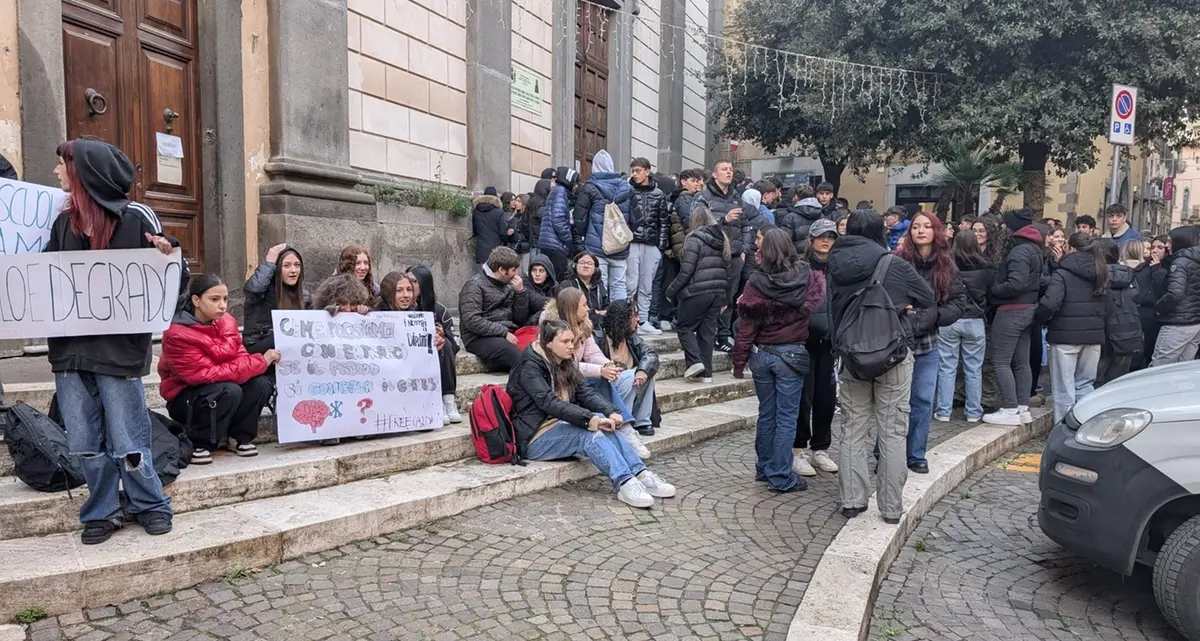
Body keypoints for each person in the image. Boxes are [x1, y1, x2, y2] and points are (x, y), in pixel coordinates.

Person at [49, 139, 182, 544]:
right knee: (84, 441)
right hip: (70, 353)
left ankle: (149, 503)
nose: (57, 173)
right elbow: (41, 281)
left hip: (118, 352)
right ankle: (102, 510)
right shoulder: (62, 224)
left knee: (129, 438)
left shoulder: (135, 216)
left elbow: (174, 281)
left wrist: (168, 255)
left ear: (83, 172)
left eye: (63, 166)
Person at [828, 209, 934, 524]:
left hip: (852, 357)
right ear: (880, 232)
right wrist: (903, 308)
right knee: (892, 432)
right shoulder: (895, 265)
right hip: (893, 356)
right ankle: (890, 508)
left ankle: (852, 500)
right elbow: (928, 298)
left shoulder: (835, 263)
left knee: (853, 429)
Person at [507, 320, 676, 508]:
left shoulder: (565, 360)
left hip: (558, 426)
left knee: (605, 423)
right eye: (564, 342)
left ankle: (642, 474)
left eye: (572, 341)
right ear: (548, 343)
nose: (571, 346)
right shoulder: (529, 366)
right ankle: (625, 483)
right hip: (534, 437)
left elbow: (584, 391)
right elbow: (549, 403)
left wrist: (610, 411)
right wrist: (590, 419)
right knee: (587, 432)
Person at [732, 228, 823, 492]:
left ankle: (764, 468)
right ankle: (781, 475)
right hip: (792, 354)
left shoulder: (756, 282)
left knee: (767, 415)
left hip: (762, 355)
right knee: (786, 417)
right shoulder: (806, 277)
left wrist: (739, 361)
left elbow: (746, 328)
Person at [161, 274, 275, 463]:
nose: (222, 305)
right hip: (185, 398)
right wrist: (261, 362)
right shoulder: (176, 334)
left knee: (260, 383)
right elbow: (203, 375)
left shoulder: (226, 321)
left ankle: (239, 437)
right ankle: (200, 443)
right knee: (229, 389)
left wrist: (251, 366)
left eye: (225, 299)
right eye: (215, 299)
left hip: (219, 388)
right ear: (196, 300)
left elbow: (241, 358)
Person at [895, 212, 967, 474]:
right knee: (894, 402)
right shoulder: (898, 260)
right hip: (898, 342)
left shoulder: (947, 265)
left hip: (928, 343)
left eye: (927, 226)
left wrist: (935, 315)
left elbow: (959, 302)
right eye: (916, 226)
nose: (921, 231)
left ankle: (915, 453)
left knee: (923, 400)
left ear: (935, 231)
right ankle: (887, 451)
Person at [1034, 237, 1108, 424]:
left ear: (1071, 249)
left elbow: (1050, 303)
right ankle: (1084, 425)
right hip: (1093, 336)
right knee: (1085, 384)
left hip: (1064, 335)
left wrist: (1039, 318)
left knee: (1063, 388)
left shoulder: (1062, 273)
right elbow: (1109, 306)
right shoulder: (1101, 271)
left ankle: (1064, 430)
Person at [983, 209, 1044, 426]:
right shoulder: (1035, 248)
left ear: (1011, 228)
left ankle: (1009, 409)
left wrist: (994, 289)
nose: (1001, 229)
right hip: (1028, 310)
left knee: (1001, 361)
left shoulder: (1019, 251)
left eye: (1004, 226)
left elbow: (1016, 283)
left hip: (1012, 311)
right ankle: (1022, 408)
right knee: (1021, 362)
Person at [378, 269, 462, 424]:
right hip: (389, 372)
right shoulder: (376, 314)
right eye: (399, 291)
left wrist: (433, 345)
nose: (406, 295)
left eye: (409, 289)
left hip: (413, 372)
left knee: (445, 346)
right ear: (389, 293)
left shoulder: (419, 312)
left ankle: (445, 401)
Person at [794, 219, 840, 477]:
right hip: (805, 339)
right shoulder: (801, 268)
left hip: (831, 343)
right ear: (811, 239)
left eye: (831, 237)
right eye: (821, 236)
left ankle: (820, 448)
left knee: (827, 399)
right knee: (804, 398)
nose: (826, 241)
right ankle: (798, 449)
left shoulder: (840, 268)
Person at [667, 206, 732, 384]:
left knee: (684, 327)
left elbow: (687, 270)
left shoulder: (694, 239)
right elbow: (728, 269)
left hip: (697, 291)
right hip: (717, 292)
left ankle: (695, 362)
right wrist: (726, 296)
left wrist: (671, 291)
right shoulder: (722, 238)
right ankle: (706, 373)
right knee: (707, 332)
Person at [937, 230, 993, 424]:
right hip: (975, 321)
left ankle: (944, 411)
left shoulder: (947, 267)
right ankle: (973, 412)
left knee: (946, 367)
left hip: (950, 319)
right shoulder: (986, 268)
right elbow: (991, 295)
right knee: (974, 369)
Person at [694, 160, 746, 352]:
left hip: (734, 255)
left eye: (731, 169)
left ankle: (723, 336)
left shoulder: (737, 198)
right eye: (724, 169)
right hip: (711, 254)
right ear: (714, 174)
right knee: (709, 296)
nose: (729, 172)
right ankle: (705, 333)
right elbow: (696, 224)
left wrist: (744, 250)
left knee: (729, 297)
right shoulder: (703, 196)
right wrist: (723, 220)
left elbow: (747, 226)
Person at [598, 300, 661, 450]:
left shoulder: (632, 338)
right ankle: (622, 422)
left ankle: (642, 421)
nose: (638, 319)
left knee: (646, 372)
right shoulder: (599, 338)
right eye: (634, 315)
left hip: (630, 390)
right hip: (608, 396)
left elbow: (651, 355)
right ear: (623, 319)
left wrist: (642, 371)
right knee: (629, 375)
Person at [459, 246, 531, 372]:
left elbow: (519, 317)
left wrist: (520, 293)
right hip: (478, 337)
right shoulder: (474, 285)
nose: (516, 274)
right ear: (502, 270)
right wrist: (503, 332)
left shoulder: (508, 285)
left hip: (507, 332)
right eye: (514, 270)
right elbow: (472, 320)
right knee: (517, 356)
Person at [575, 150, 633, 301]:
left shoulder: (590, 187)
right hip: (620, 245)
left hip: (596, 246)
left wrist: (585, 234)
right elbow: (637, 218)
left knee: (600, 285)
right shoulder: (626, 188)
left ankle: (601, 321)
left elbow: (579, 218)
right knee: (620, 284)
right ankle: (619, 321)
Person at [242, 244, 310, 355]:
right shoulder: (263, 293)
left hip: (289, 351)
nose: (293, 270)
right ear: (277, 269)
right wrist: (269, 263)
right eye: (286, 266)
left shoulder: (305, 296)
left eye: (297, 265)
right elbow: (253, 289)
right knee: (287, 337)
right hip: (259, 347)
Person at [659, 168, 705, 330]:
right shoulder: (685, 199)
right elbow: (690, 222)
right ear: (683, 182)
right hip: (682, 247)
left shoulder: (679, 198)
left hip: (678, 247)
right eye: (693, 180)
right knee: (677, 282)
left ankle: (670, 316)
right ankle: (670, 316)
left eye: (698, 181)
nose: (697, 184)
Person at [626, 157, 669, 333]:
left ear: (647, 171)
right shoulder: (627, 190)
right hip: (632, 242)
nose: (635, 174)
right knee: (630, 283)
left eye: (638, 170)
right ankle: (627, 318)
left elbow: (663, 222)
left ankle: (642, 320)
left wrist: (660, 247)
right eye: (633, 171)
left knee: (646, 285)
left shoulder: (658, 194)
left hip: (651, 244)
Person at [1151, 226, 1200, 366]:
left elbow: (1175, 293)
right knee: (1182, 368)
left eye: (1170, 242)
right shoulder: (1195, 260)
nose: (1166, 246)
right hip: (1195, 323)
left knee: (1159, 368)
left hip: (1178, 322)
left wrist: (1159, 306)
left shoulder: (1180, 262)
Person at [1097, 240, 1141, 386]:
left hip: (1103, 333)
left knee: (1096, 381)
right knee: (1118, 383)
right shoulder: (1130, 275)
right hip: (1128, 332)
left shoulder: (1098, 277)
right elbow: (1137, 297)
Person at [538, 167, 580, 280]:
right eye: (575, 182)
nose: (576, 186)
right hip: (556, 244)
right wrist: (568, 239)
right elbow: (558, 220)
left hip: (548, 242)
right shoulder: (560, 192)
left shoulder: (556, 191)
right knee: (560, 279)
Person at [1133, 242, 1167, 371]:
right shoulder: (1142, 268)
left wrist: (1158, 269)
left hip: (1159, 314)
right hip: (1144, 313)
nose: (1154, 251)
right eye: (1153, 247)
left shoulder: (1169, 267)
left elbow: (1163, 290)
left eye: (1160, 247)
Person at [560, 250, 609, 325]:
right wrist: (594, 312)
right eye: (582, 263)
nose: (586, 266)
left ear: (595, 269)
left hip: (599, 325)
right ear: (575, 265)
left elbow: (606, 306)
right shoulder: (567, 284)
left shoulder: (599, 284)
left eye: (590, 264)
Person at [778, 185, 823, 254]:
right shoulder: (822, 216)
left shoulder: (790, 218)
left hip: (797, 258)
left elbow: (784, 243)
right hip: (818, 256)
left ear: (795, 196)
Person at [471, 187, 509, 266]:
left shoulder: (476, 211)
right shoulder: (499, 212)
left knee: (482, 275)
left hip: (481, 249)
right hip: (495, 250)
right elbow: (503, 232)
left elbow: (475, 230)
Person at [524, 253, 560, 318]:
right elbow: (535, 301)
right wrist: (557, 303)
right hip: (530, 321)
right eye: (534, 270)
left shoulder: (554, 285)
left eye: (541, 271)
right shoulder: (525, 283)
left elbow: (564, 298)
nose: (537, 274)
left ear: (547, 274)